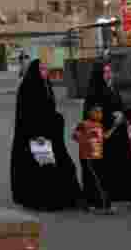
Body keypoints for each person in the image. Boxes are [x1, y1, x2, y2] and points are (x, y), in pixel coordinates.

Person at [82, 61, 131, 210]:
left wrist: (127, 115)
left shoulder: (112, 89)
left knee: (127, 168)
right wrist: (111, 118)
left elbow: (119, 107)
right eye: (105, 72)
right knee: (105, 171)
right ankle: (101, 202)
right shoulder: (94, 92)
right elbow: (92, 116)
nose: (109, 74)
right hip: (104, 139)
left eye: (110, 71)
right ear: (99, 75)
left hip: (118, 138)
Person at [9, 59, 83, 211]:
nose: (45, 71)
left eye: (46, 69)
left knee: (64, 165)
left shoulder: (46, 85)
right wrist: (37, 134)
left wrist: (57, 118)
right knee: (45, 168)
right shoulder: (28, 87)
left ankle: (68, 198)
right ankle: (46, 201)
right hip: (37, 137)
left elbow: (48, 110)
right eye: (42, 69)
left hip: (51, 134)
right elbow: (28, 115)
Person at [73, 104, 111, 214]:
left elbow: (104, 136)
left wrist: (115, 126)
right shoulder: (83, 124)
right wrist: (86, 139)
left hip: (97, 156)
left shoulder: (99, 125)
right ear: (90, 113)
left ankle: (90, 203)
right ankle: (101, 205)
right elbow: (75, 136)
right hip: (88, 157)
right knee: (95, 180)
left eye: (100, 112)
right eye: (96, 112)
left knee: (94, 180)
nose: (99, 114)